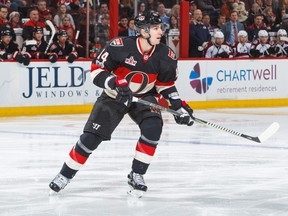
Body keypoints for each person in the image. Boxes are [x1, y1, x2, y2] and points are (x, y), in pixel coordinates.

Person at [49, 11, 194, 198]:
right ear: (143, 31)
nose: (161, 32)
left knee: (153, 127)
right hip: (113, 96)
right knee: (91, 138)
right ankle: (65, 175)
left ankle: (137, 174)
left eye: (160, 28)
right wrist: (115, 83)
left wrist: (178, 105)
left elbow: (164, 85)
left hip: (143, 97)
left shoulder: (166, 55)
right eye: (155, 28)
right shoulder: (119, 46)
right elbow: (96, 72)